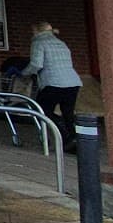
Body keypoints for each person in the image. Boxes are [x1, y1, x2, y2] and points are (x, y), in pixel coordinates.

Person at [20, 21, 82, 152]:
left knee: (42, 110)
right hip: (73, 82)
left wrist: (24, 73)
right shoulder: (61, 43)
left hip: (53, 82)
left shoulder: (38, 42)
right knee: (68, 113)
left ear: (37, 31)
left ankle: (64, 136)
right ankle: (75, 141)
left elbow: (37, 64)